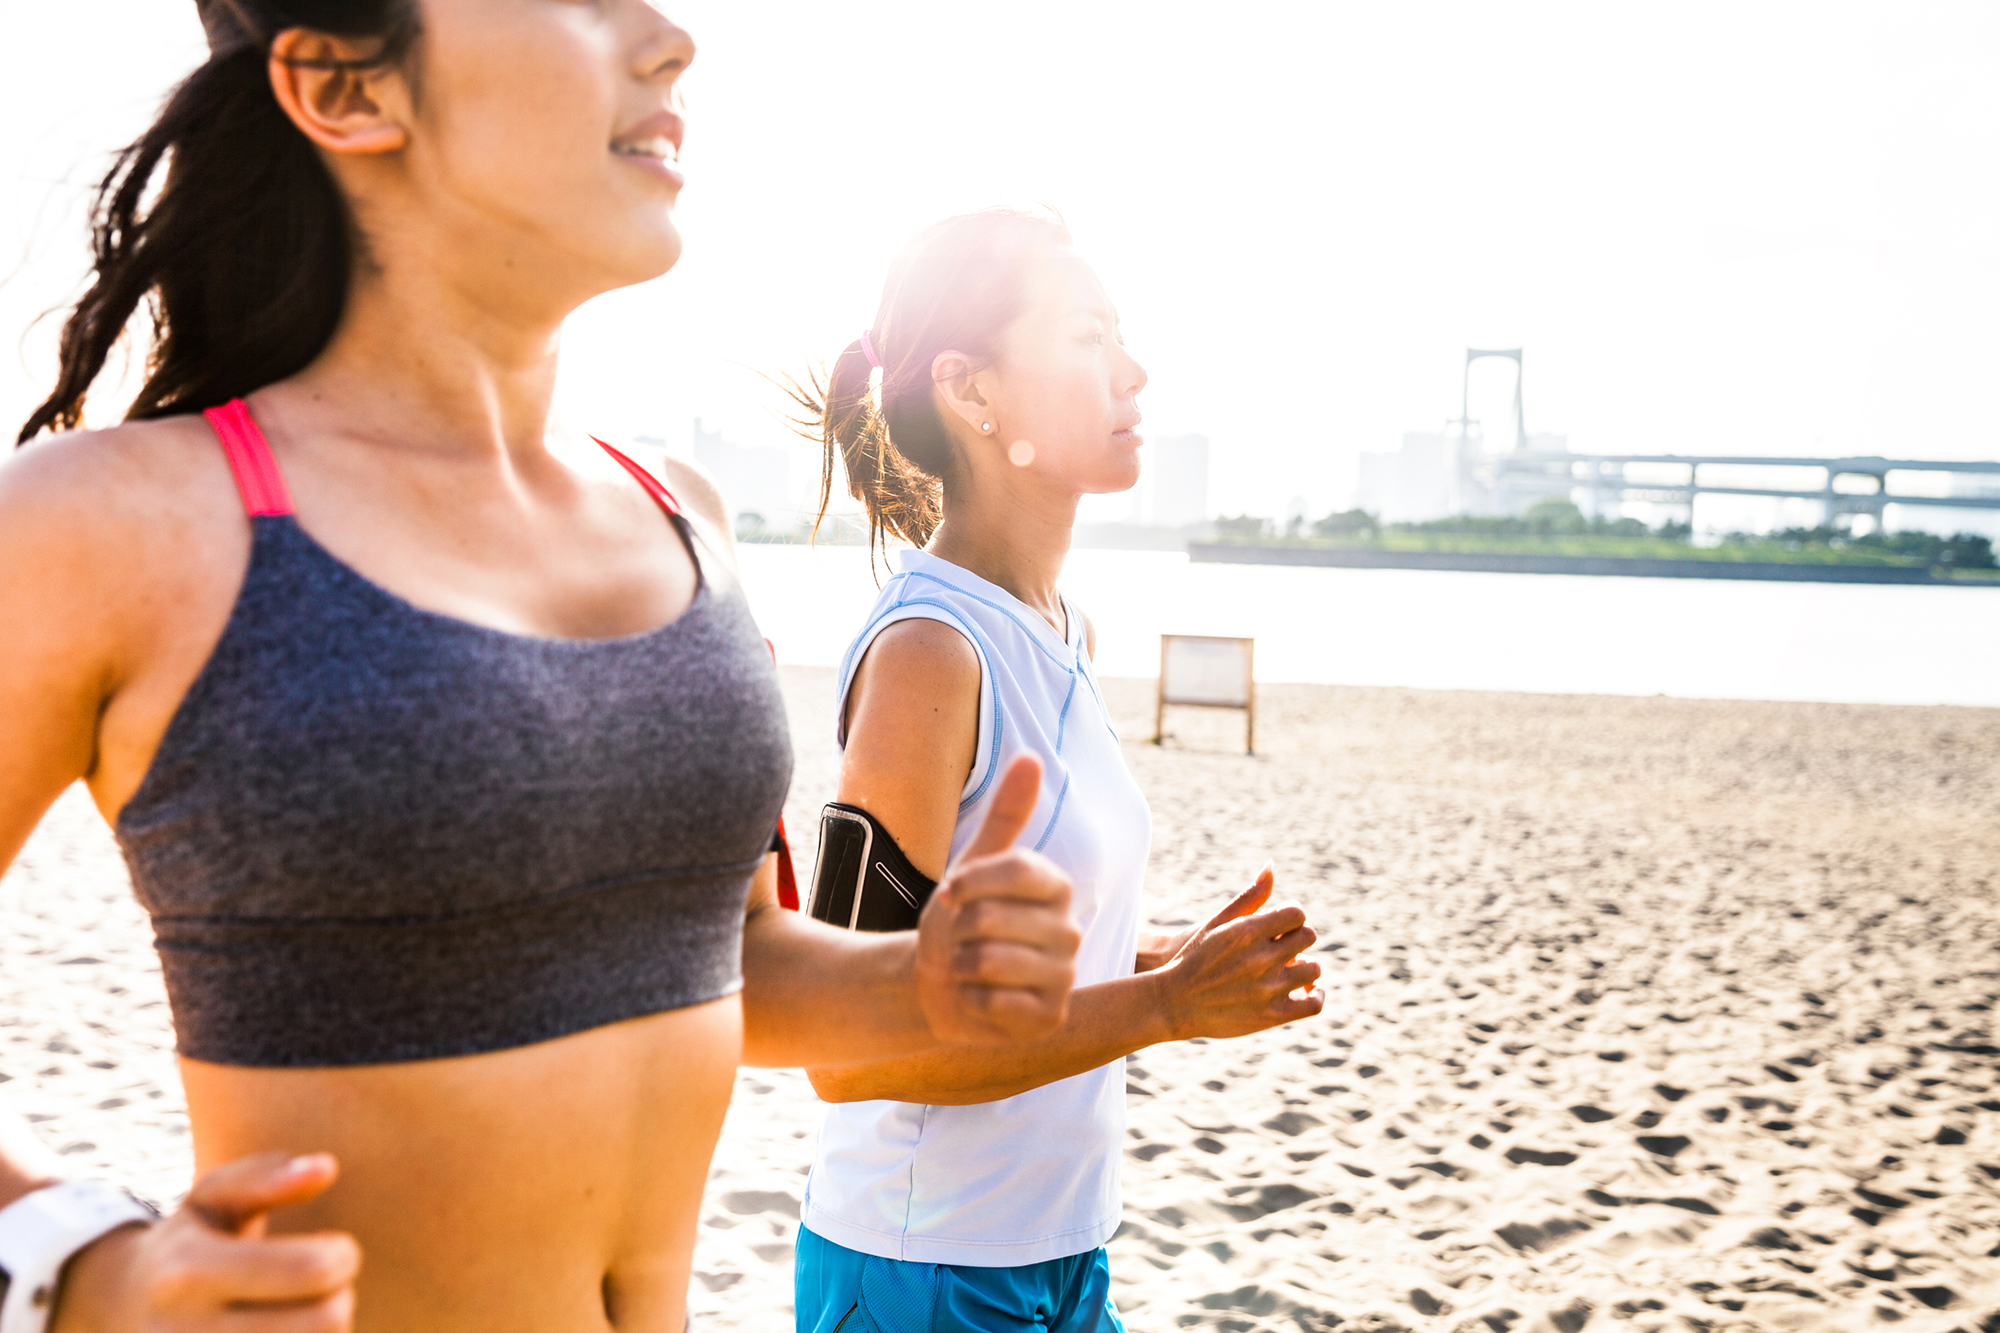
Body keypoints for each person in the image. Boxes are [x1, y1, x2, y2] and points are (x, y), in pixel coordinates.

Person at [0, 5, 1084, 1331]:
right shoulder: (109, 522)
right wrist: (82, 1265)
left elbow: (733, 960)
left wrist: (915, 980)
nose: (672, 36)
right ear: (344, 88)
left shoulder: (679, 513)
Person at [785, 210, 1327, 1333]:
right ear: (973, 393)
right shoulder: (931, 652)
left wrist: (1159, 951)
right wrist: (1168, 1004)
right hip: (922, 1268)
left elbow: (984, 949)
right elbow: (844, 1046)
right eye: (1086, 337)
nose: (1132, 370)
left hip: (1066, 1252)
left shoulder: (1060, 628)